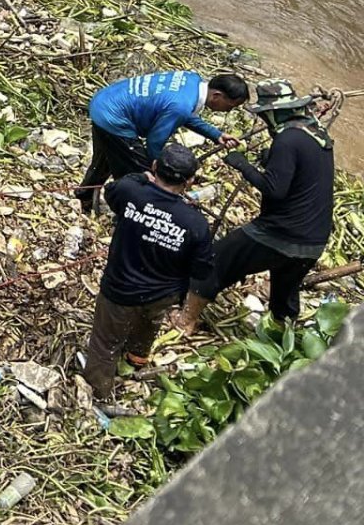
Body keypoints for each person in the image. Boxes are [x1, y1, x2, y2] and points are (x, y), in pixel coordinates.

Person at [83, 144, 214, 409]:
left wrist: (141, 178)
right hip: (162, 294)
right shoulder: (195, 222)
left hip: (119, 289)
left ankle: (99, 394)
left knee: (105, 343)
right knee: (148, 324)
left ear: (154, 168)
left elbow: (112, 191)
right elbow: (201, 270)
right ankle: (136, 358)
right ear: (189, 182)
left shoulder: (131, 192)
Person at [197, 81, 335, 325]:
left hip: (281, 234)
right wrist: (270, 160)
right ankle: (285, 338)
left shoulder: (287, 140)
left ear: (274, 113)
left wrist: (241, 164)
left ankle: (186, 320)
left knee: (215, 260)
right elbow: (302, 174)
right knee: (284, 293)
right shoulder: (317, 134)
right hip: (314, 241)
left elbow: (275, 190)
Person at [75, 70, 248, 215]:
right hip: (114, 119)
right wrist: (157, 168)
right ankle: (126, 213)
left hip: (104, 102)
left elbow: (183, 114)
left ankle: (84, 196)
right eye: (231, 106)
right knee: (139, 174)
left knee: (105, 157)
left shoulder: (192, 80)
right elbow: (154, 142)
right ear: (217, 95)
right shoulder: (180, 105)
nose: (228, 110)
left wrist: (216, 134)